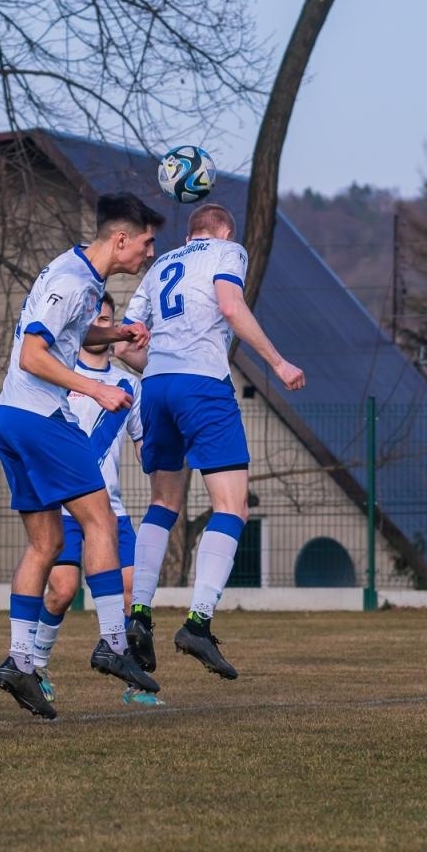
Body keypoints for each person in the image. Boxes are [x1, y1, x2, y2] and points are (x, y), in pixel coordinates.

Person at [0, 193, 165, 718]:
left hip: (11, 418)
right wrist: (94, 391)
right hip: (41, 417)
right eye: (147, 243)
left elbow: (66, 334)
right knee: (101, 523)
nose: (149, 253)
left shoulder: (81, 278)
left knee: (44, 544)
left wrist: (113, 332)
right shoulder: (72, 281)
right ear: (121, 239)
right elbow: (33, 354)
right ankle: (113, 644)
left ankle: (20, 662)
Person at [122, 203, 304, 680]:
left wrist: (162, 364)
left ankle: (138, 614)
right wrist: (278, 363)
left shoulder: (161, 265)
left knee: (163, 502)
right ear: (223, 231)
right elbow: (229, 304)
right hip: (201, 384)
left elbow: (123, 343)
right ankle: (198, 622)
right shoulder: (228, 251)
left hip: (156, 385)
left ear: (188, 235)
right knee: (232, 506)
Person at [31, 294, 154, 706]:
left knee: (131, 587)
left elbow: (143, 444)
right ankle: (36, 664)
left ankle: (133, 680)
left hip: (110, 508)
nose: (100, 324)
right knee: (62, 590)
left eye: (107, 319)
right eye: (94, 319)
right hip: (65, 508)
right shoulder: (61, 377)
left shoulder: (129, 385)